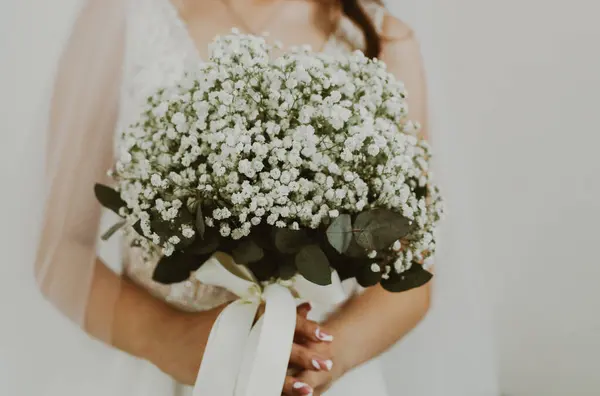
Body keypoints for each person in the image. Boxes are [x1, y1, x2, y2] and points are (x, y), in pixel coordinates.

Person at [34, 0, 431, 395]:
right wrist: (169, 337)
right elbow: (61, 254)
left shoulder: (382, 40)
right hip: (162, 376)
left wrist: (321, 356)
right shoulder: (125, 18)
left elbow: (410, 271)